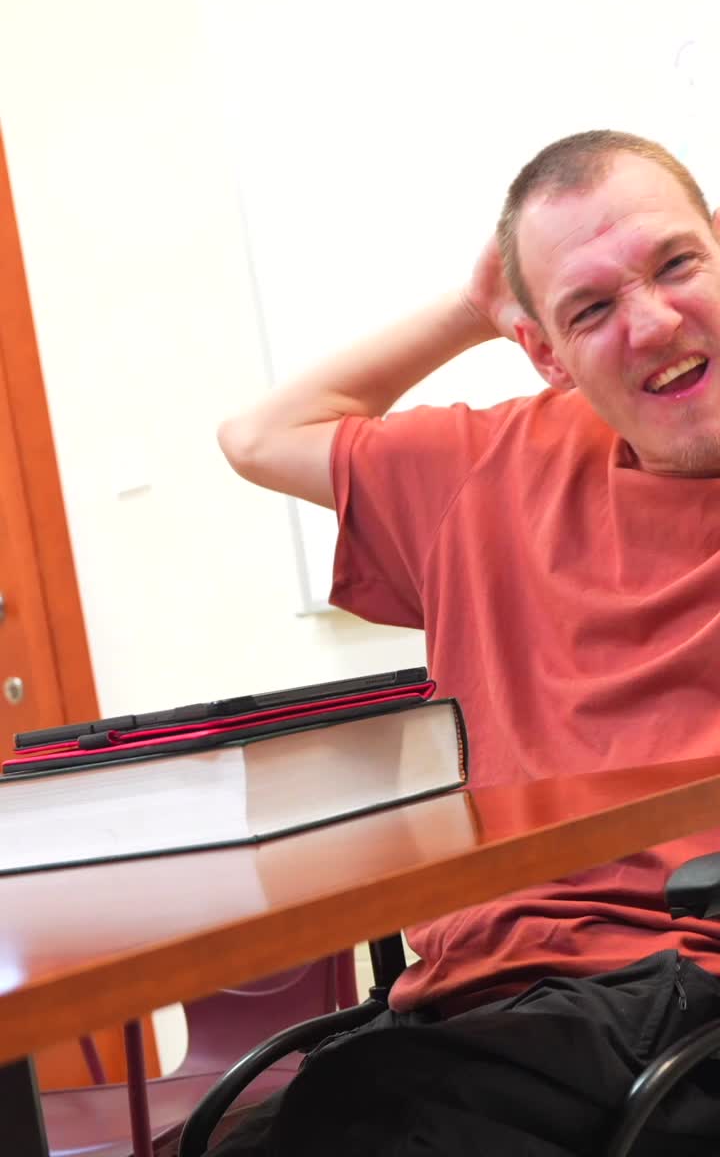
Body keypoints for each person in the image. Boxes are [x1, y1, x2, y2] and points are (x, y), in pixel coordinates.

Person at [214, 131, 720, 1155]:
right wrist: (468, 306)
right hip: (470, 992)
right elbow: (259, 437)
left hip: (682, 982)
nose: (653, 321)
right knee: (253, 1133)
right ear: (545, 353)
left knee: (354, 1119)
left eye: (677, 263)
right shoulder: (493, 463)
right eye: (589, 308)